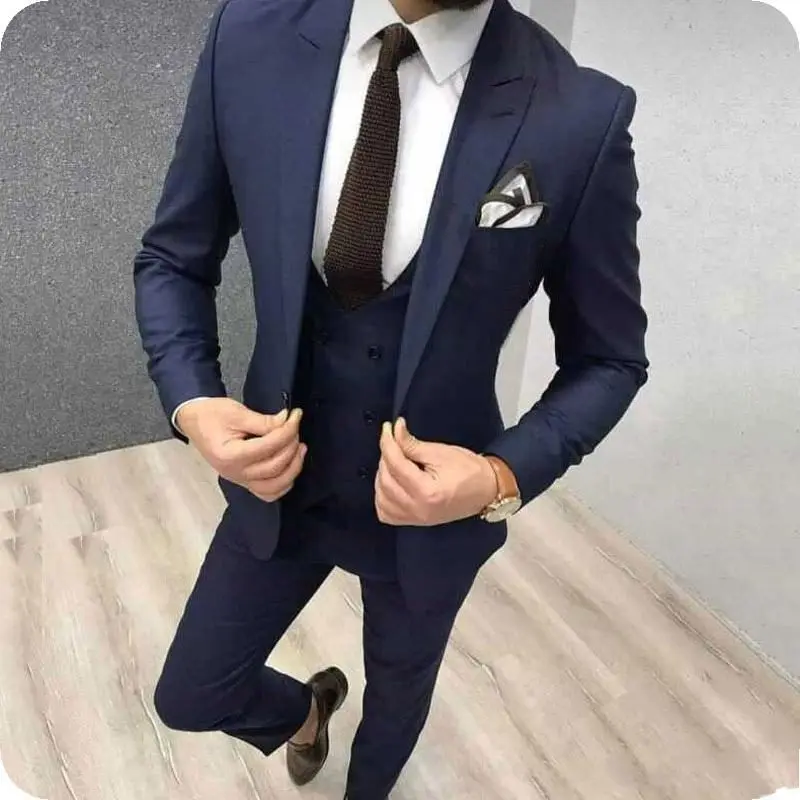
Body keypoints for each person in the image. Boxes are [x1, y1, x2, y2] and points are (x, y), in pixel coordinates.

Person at [133, 0, 649, 796]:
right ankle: (306, 712)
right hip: (280, 481)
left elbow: (610, 358)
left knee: (393, 717)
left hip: (435, 512)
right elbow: (173, 257)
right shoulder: (249, 38)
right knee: (191, 693)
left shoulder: (580, 113)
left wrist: (499, 477)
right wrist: (192, 401)